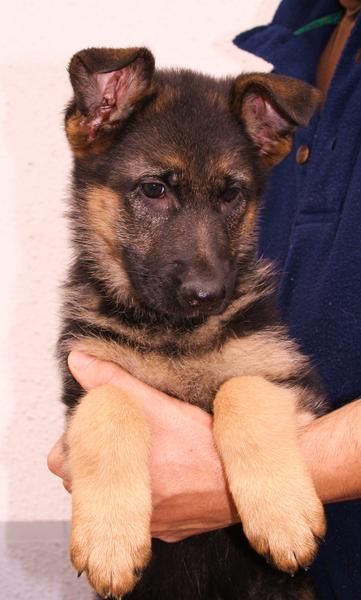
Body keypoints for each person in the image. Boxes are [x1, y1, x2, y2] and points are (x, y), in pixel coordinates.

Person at [48, 1, 361, 597]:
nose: (203, 274)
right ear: (96, 122)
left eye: (227, 199)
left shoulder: (244, 318)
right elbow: (95, 417)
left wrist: (247, 454)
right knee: (106, 409)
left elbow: (281, 395)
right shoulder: (303, 34)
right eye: (154, 190)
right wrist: (106, 441)